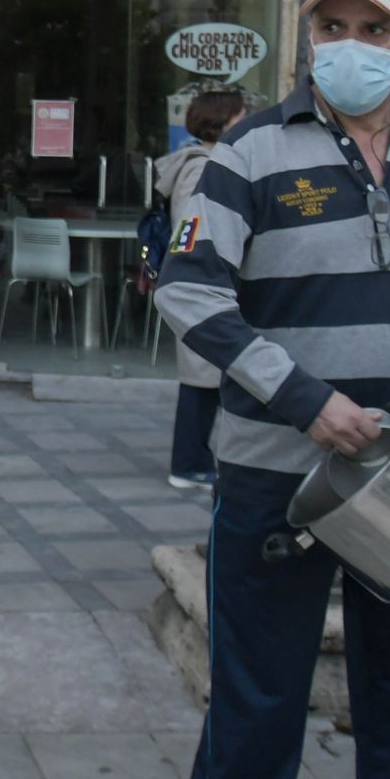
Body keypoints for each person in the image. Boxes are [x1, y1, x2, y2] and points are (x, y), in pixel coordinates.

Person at [156, 0, 390, 779]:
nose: (349, 45)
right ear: (308, 37)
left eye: (375, 29)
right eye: (332, 27)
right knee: (258, 697)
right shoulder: (251, 148)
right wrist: (305, 401)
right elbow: (189, 290)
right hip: (276, 474)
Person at [154, 89, 245, 489]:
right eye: (240, 117)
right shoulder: (200, 167)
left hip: (209, 284)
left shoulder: (213, 162)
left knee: (208, 380)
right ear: (221, 122)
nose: (247, 123)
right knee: (201, 381)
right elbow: (190, 229)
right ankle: (188, 464)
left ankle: (197, 459)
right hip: (201, 285)